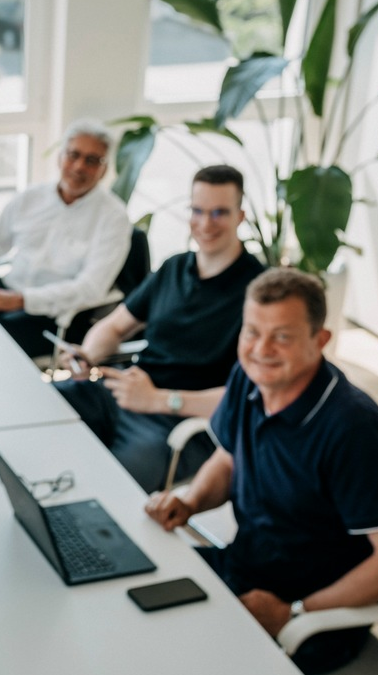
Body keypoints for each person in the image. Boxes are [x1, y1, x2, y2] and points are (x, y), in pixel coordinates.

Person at [146, 268, 378, 674]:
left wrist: (294, 611)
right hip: (245, 566)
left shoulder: (353, 429)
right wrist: (190, 501)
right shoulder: (247, 378)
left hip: (311, 612)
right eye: (251, 332)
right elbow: (229, 458)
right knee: (136, 602)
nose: (261, 349)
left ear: (320, 340)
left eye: (282, 336)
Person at [55, 165, 265, 492]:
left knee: (109, 489)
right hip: (125, 393)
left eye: (219, 213)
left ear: (240, 216)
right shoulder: (174, 268)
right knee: (43, 415)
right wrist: (87, 356)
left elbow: (250, 398)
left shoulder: (258, 293)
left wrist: (159, 400)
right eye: (197, 211)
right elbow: (114, 326)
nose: (205, 224)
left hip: (183, 421)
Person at [0, 119, 131, 357]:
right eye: (73, 155)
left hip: (57, 316)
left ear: (104, 169)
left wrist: (22, 300)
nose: (79, 166)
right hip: (5, 294)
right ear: (60, 157)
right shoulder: (31, 198)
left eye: (92, 160)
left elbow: (90, 288)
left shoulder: (113, 217)